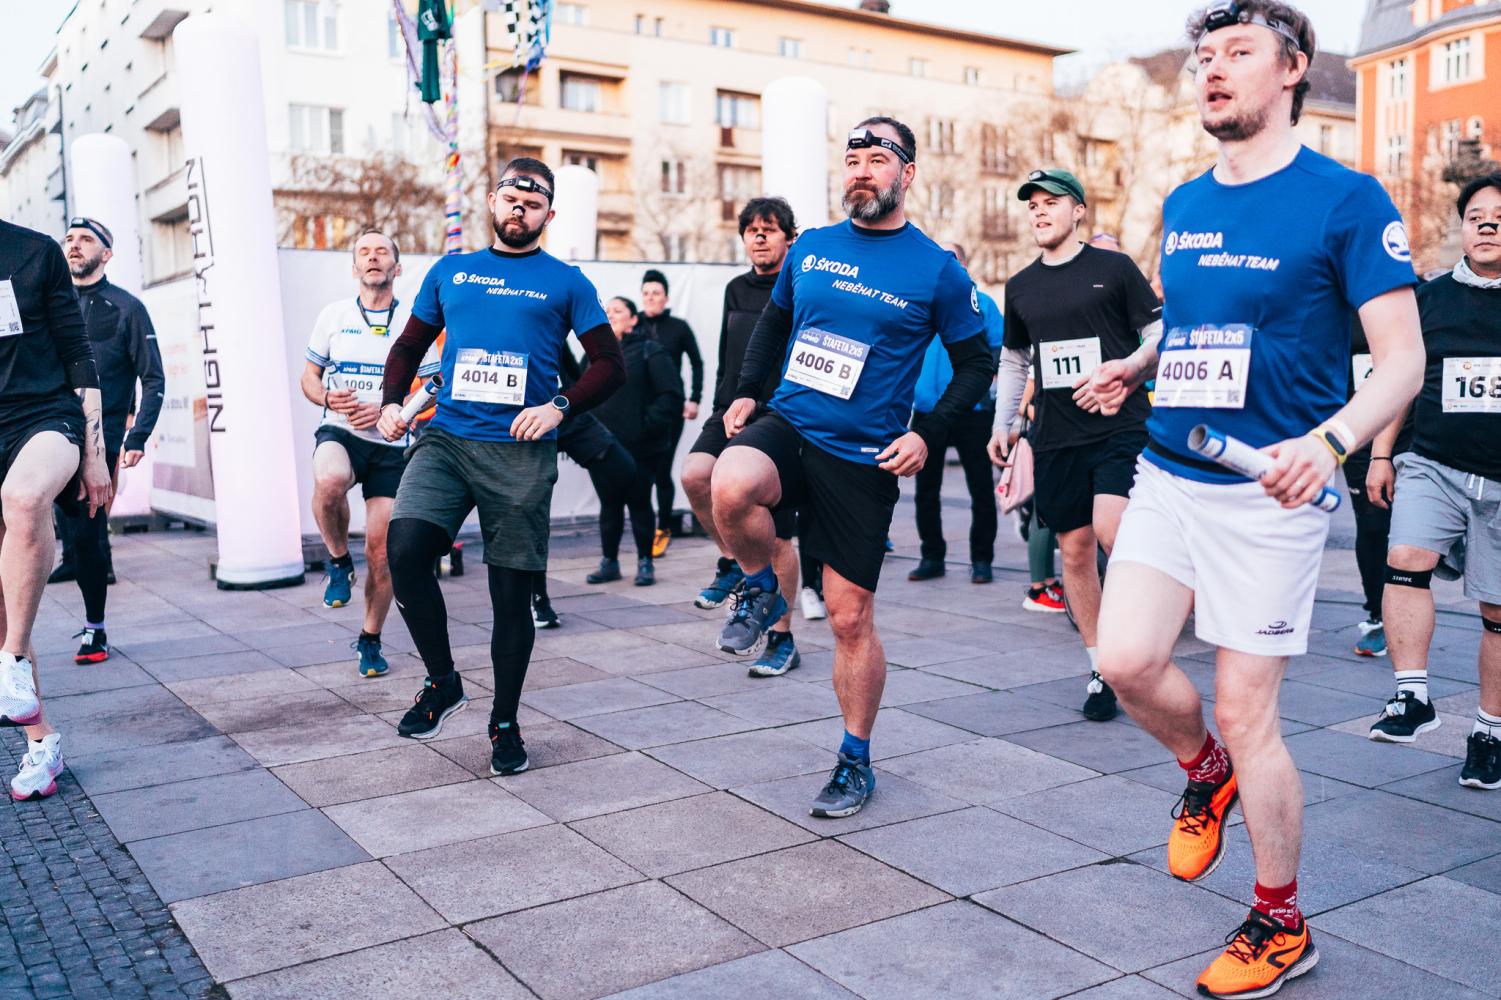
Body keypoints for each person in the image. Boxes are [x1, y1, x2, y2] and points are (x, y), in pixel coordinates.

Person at [1084, 4, 1424, 996]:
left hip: (1270, 492)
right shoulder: (1186, 202)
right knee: (1122, 659)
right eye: (1203, 56)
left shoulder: (1346, 199)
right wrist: (1136, 360)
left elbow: (1402, 359)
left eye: (1237, 53)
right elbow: (1188, 322)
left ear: (1291, 71)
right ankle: (1205, 772)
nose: (1212, 69)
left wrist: (1329, 444)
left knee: (1246, 710)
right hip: (1169, 465)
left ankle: (1280, 921)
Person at [710, 117, 992, 817]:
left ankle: (854, 759)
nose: (861, 171)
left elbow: (975, 361)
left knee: (847, 618)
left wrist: (927, 432)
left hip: (863, 456)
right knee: (728, 482)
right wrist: (746, 389)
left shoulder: (936, 269)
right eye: (852, 159)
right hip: (792, 421)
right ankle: (760, 588)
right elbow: (775, 323)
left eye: (877, 160)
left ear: (907, 174)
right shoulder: (812, 248)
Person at [376, 158, 624, 776]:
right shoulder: (452, 271)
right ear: (492, 201)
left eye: (534, 203)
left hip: (520, 450)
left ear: (548, 215)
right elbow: (408, 345)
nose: (521, 209)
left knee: (510, 595)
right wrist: (391, 403)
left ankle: (505, 723)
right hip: (448, 440)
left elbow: (609, 364)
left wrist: (558, 407)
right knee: (403, 550)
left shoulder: (566, 282)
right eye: (513, 197)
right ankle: (443, 682)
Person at [987, 167, 1162, 722]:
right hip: (1056, 436)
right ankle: (1101, 667)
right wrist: (1003, 424)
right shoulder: (1021, 286)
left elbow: (1158, 334)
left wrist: (1130, 369)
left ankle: (1141, 641)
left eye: (1052, 201)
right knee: (1076, 551)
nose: (1040, 211)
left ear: (1079, 210)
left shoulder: (1114, 269)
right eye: (1032, 204)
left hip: (1119, 425)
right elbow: (1015, 360)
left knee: (1114, 530)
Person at [1367, 173, 1501, 792]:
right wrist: (1382, 453)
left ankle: (1489, 732)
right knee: (1404, 559)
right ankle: (1412, 695)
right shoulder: (1430, 298)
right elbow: (1401, 379)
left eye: (1500, 216)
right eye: (1477, 215)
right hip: (1434, 462)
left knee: (1496, 612)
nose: (1488, 224)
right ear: (1462, 227)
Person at [2, 218, 112, 801]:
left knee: (24, 499)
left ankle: (14, 658)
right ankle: (42, 742)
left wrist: (95, 454)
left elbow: (78, 354)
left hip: (43, 415)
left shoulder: (35, 252)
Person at [301, 229, 439, 678]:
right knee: (329, 480)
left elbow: (434, 388)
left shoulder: (415, 321)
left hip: (391, 444)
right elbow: (309, 377)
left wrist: (392, 411)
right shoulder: (334, 315)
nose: (373, 257)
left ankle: (370, 638)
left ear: (397, 267)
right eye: (364, 252)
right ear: (354, 267)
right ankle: (339, 561)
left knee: (383, 555)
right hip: (341, 430)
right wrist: (328, 398)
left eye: (382, 251)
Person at [682, 196, 805, 677]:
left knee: (776, 538)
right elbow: (726, 354)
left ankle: (782, 638)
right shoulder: (735, 288)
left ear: (789, 238)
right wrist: (723, 404)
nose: (759, 237)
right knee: (695, 476)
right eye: (751, 230)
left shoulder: (799, 288)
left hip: (780, 416)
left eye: (769, 229)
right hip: (732, 405)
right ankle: (736, 562)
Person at [53, 218, 165, 664]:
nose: (74, 245)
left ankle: (94, 628)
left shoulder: (127, 308)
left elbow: (153, 378)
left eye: (85, 240)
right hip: (46, 430)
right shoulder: (51, 303)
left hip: (101, 438)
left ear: (107, 253)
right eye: (69, 239)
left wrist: (139, 435)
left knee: (88, 532)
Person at [908, 242, 1004, 585]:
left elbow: (998, 351)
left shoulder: (983, 303)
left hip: (971, 411)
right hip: (927, 411)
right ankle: (932, 556)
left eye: (950, 259)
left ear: (962, 266)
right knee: (925, 490)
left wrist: (981, 390)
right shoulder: (921, 302)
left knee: (980, 488)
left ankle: (982, 560)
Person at [531, 346, 640, 627]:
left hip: (564, 414)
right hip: (525, 417)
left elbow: (575, 369)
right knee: (532, 516)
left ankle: (638, 560)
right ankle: (537, 598)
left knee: (625, 470)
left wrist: (570, 402)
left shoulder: (555, 324)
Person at [586, 296, 682, 587]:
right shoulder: (594, 354)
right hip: (602, 448)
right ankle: (609, 562)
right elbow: (580, 389)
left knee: (640, 504)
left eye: (618, 311)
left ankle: (645, 562)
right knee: (609, 505)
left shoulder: (650, 350)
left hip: (640, 449)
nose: (610, 315)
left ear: (633, 319)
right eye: (607, 311)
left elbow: (671, 396)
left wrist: (645, 427)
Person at [1343, 314, 1414, 657]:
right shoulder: (1338, 303)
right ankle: (1378, 615)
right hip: (1357, 432)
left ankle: (1409, 609)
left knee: (1412, 532)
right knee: (1372, 524)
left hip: (1412, 429)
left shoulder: (1413, 298)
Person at [638, 268, 702, 556]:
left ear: (666, 297)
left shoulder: (678, 327)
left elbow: (697, 363)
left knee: (662, 471)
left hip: (670, 411)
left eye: (656, 293)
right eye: (647, 293)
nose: (651, 298)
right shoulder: (634, 324)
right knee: (639, 473)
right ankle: (642, 527)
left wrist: (694, 399)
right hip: (638, 411)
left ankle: (663, 528)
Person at [1012, 376, 1067, 613]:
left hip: (1059, 440)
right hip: (1046, 440)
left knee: (1051, 513)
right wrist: (1049, 417)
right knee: (1042, 512)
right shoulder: (1039, 364)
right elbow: (1022, 404)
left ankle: (1049, 582)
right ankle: (1037, 589)